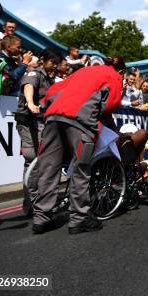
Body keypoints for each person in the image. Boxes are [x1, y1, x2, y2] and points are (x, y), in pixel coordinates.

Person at [32, 55, 125, 235]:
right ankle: (78, 220)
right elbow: (111, 105)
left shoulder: (84, 70)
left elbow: (52, 91)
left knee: (48, 168)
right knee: (82, 169)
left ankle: (41, 218)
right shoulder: (115, 76)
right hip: (81, 122)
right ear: (121, 70)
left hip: (53, 117)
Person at [15, 48, 62, 216]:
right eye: (52, 63)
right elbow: (28, 86)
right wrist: (29, 102)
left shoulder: (51, 80)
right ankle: (31, 203)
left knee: (43, 162)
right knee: (32, 161)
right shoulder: (35, 74)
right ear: (43, 60)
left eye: (57, 64)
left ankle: (39, 201)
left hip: (42, 122)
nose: (54, 66)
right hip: (28, 121)